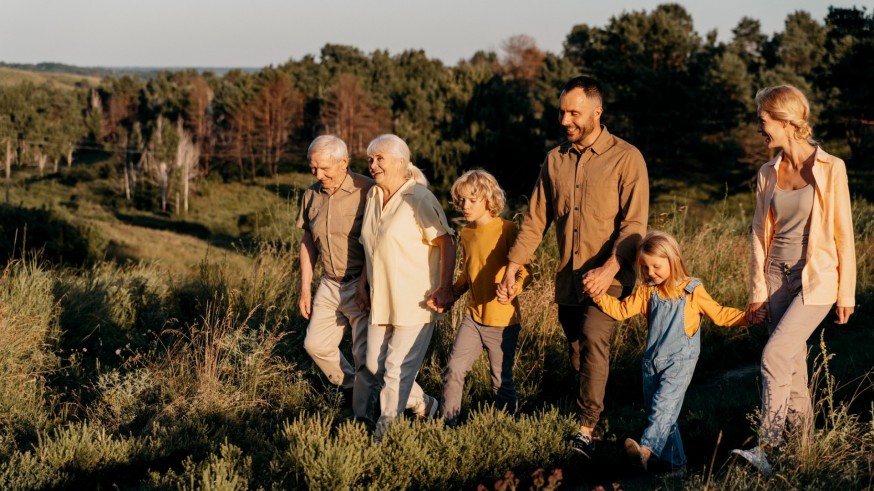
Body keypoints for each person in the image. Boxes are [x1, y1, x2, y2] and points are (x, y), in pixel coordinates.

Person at [499, 76, 649, 457]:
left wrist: (611, 268)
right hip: (570, 278)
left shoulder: (626, 158)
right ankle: (598, 421)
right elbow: (535, 219)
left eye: (574, 113)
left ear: (597, 113)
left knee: (594, 336)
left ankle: (585, 428)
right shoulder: (554, 160)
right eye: (562, 112)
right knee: (578, 348)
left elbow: (634, 226)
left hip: (612, 276)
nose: (565, 119)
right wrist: (513, 265)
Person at [732, 85, 856, 473]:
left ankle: (766, 447)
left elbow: (843, 234)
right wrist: (757, 291)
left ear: (786, 122)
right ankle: (803, 456)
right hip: (776, 278)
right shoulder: (767, 172)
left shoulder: (830, 167)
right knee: (793, 369)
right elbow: (757, 233)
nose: (759, 129)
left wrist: (846, 292)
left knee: (773, 355)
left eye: (763, 120)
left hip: (817, 282)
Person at [587, 231, 748, 476]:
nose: (651, 272)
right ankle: (677, 465)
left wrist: (750, 317)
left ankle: (646, 452)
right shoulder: (647, 292)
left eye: (656, 266)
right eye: (646, 267)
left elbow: (720, 314)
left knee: (663, 408)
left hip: (680, 363)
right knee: (663, 414)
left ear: (673, 260)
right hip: (651, 363)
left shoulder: (692, 290)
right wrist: (598, 295)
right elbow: (620, 311)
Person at [359, 134, 456, 440]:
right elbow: (371, 246)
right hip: (380, 299)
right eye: (370, 159)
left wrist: (445, 288)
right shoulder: (374, 196)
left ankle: (383, 437)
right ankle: (425, 404)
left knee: (395, 371)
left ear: (400, 162)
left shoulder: (420, 198)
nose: (373, 165)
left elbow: (447, 241)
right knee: (373, 364)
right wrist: (363, 283)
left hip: (416, 301)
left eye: (379, 159)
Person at [432, 169, 531, 427]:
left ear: (488, 200)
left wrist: (514, 288)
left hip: (503, 321)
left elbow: (527, 269)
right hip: (473, 318)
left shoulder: (507, 229)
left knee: (500, 381)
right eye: (461, 200)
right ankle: (448, 426)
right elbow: (468, 274)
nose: (465, 206)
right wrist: (450, 295)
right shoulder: (465, 234)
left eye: (472, 201)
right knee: (453, 369)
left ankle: (507, 428)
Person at [296, 135, 375, 420]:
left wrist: (365, 285)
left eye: (324, 168)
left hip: (361, 282)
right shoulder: (311, 194)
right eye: (313, 167)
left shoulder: (368, 191)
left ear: (344, 163)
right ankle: (352, 386)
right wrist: (305, 288)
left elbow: (375, 244)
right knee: (314, 344)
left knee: (364, 355)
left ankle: (363, 417)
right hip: (329, 283)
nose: (318, 175)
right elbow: (308, 241)